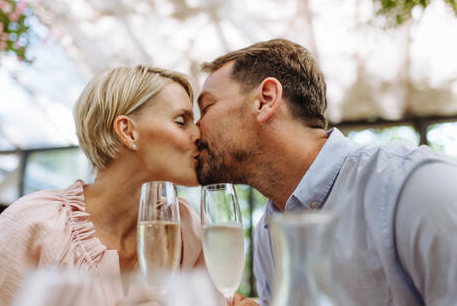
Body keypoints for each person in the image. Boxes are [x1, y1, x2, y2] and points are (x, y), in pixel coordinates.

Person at [196, 38, 457, 305]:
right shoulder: (270, 230)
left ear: (265, 100)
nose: (196, 127)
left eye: (206, 108)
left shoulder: (412, 186)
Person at [0, 66, 204, 306]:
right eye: (181, 121)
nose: (199, 135)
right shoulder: (35, 224)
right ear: (128, 131)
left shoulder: (186, 227)